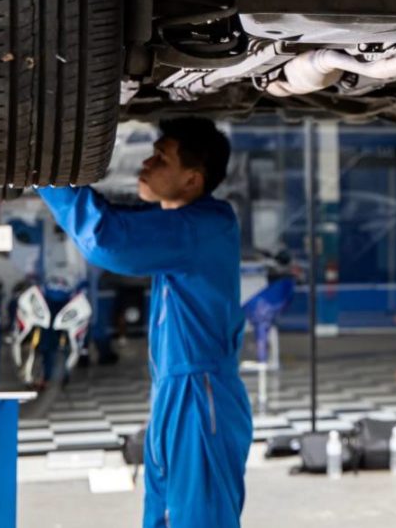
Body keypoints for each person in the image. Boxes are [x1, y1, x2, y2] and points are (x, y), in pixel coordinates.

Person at [37, 117, 252, 528]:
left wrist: (43, 172)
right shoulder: (185, 226)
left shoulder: (204, 226)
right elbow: (115, 223)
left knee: (197, 520)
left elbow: (108, 240)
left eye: (161, 157)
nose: (147, 164)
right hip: (178, 395)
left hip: (199, 399)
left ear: (191, 179)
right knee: (164, 517)